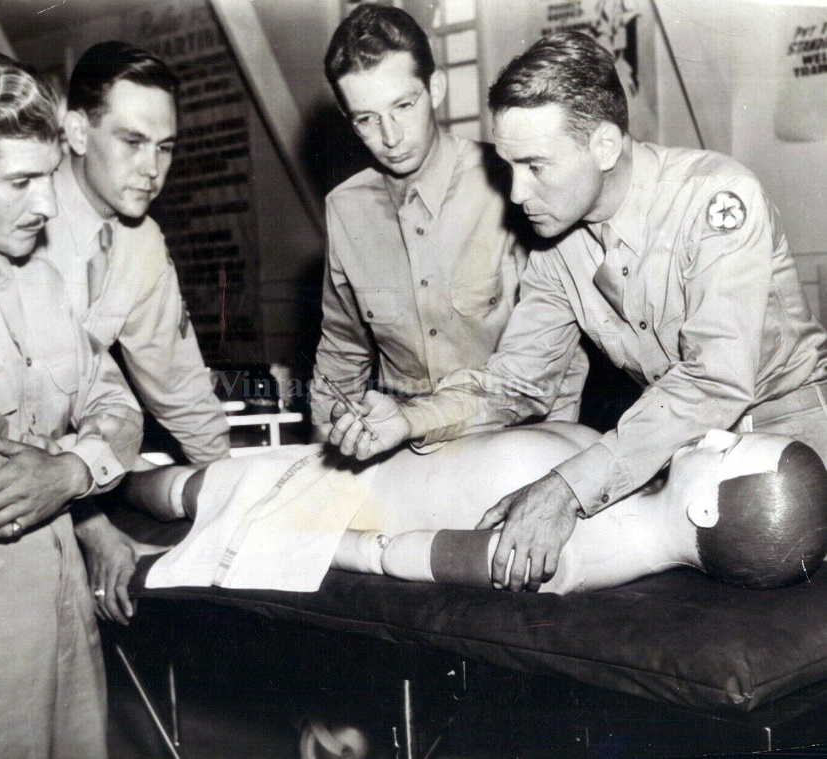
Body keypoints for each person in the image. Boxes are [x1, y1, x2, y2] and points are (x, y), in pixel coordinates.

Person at [328, 31, 827, 594]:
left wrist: (567, 489)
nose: (516, 194)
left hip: (794, 453)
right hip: (675, 453)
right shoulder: (558, 246)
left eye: (536, 165)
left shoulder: (714, 199)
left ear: (605, 147)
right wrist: (412, 418)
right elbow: (518, 382)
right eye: (507, 165)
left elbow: (714, 379)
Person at [0, 50, 143, 757]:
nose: (48, 205)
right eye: (21, 182)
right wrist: (86, 454)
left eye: (49, 179)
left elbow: (120, 405)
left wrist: (72, 470)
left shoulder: (41, 280)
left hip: (68, 612)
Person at [310, 4, 587, 439]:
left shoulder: (511, 184)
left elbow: (556, 351)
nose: (391, 136)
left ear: (435, 88)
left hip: (521, 438)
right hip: (408, 448)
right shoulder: (346, 209)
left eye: (403, 105)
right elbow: (342, 352)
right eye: (367, 119)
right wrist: (324, 459)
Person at [121, 426, 827, 595]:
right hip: (343, 457)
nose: (715, 431)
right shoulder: (622, 470)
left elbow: (390, 552)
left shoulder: (561, 558)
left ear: (704, 507)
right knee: (169, 477)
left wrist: (291, 533)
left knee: (164, 489)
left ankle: (103, 484)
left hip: (312, 493)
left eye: (729, 444)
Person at [38, 41, 231, 623]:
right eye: (131, 141)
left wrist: (237, 496)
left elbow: (181, 387)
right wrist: (93, 532)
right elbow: (1, 408)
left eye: (165, 147)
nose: (152, 169)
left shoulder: (139, 242)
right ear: (76, 131)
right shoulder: (21, 221)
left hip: (63, 478)